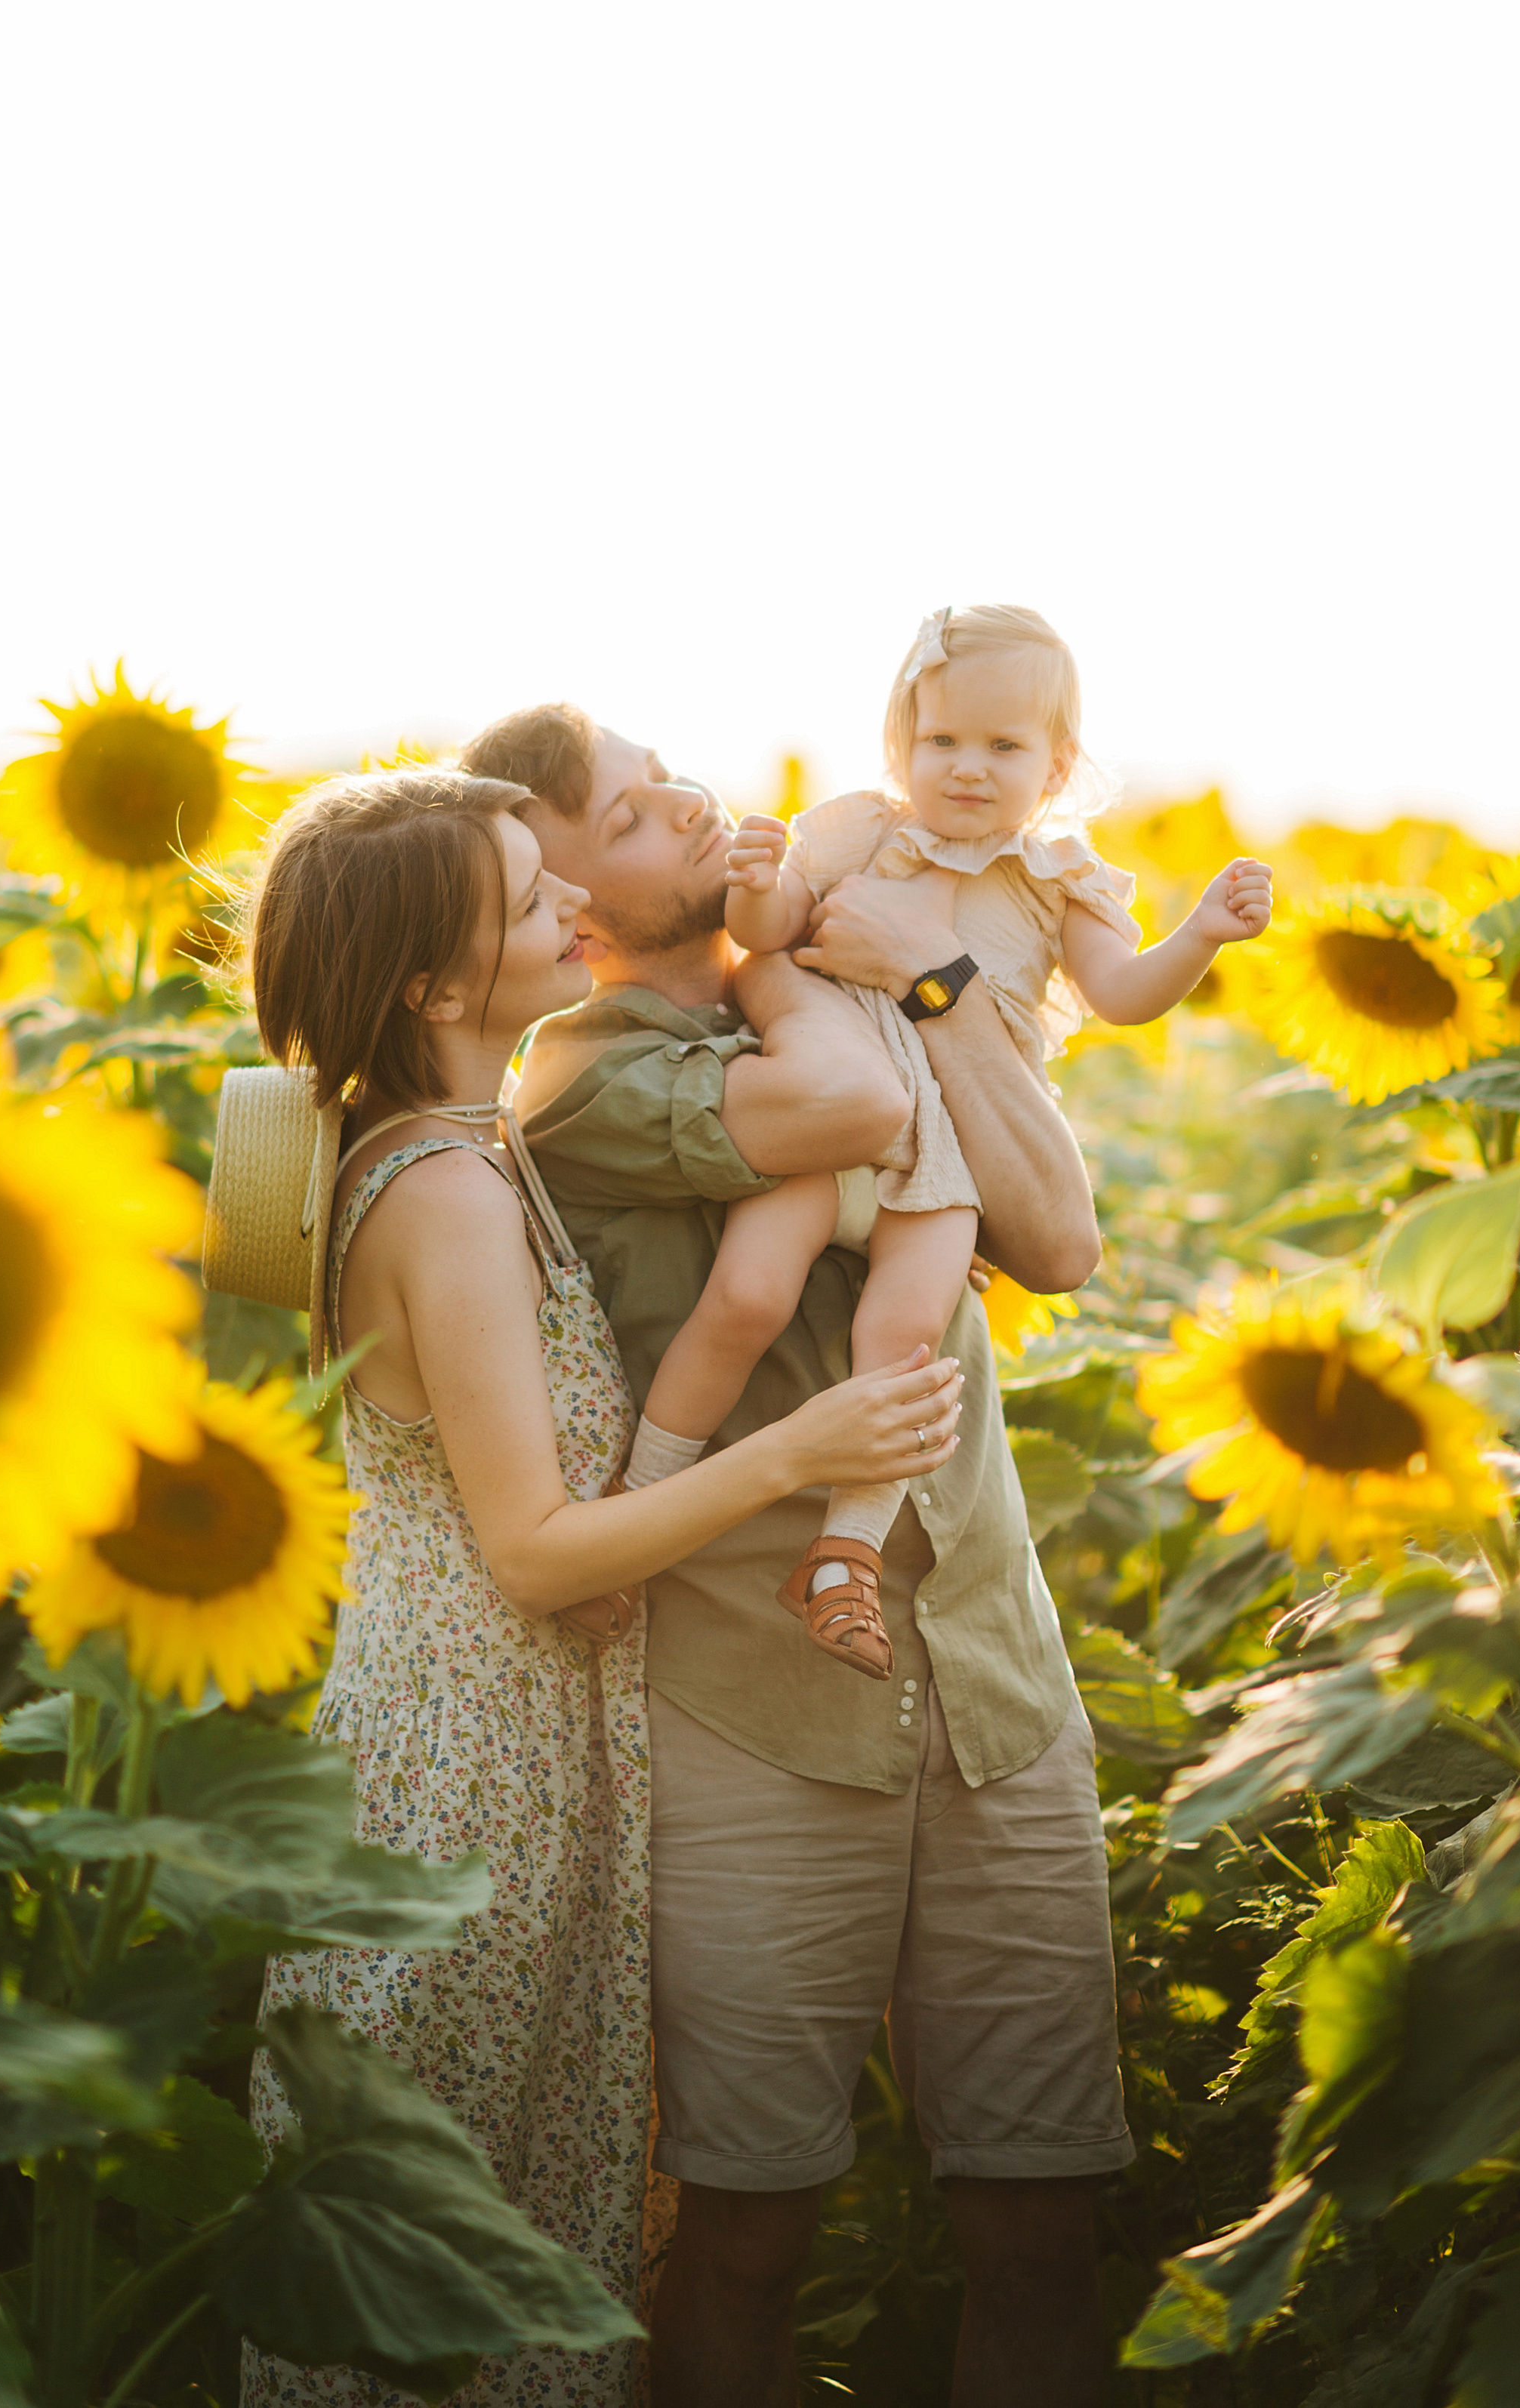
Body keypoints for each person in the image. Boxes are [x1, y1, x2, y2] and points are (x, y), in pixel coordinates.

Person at [236, 766, 963, 2408]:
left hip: (515, 1748)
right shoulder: (441, 1191)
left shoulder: (465, 1152)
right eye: (527, 897)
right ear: (433, 984)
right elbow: (534, 1548)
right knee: (432, 2257)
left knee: (506, 2237)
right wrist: (806, 1448)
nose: (574, 900)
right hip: (466, 1775)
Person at [458, 702, 1135, 2408]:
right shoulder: (591, 1080)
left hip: (990, 1673)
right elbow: (836, 1115)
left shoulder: (881, 982)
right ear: (565, 892)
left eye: (661, 766)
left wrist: (934, 977)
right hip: (753, 1706)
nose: (687, 795)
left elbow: (1054, 1237)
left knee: (1043, 2216)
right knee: (743, 2233)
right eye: (627, 809)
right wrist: (876, 973)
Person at [630, 603, 1274, 1678]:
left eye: (1004, 746)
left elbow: (1122, 996)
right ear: (902, 743)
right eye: (943, 742)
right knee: (745, 1296)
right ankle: (641, 1502)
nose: (968, 768)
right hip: (836, 1117)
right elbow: (772, 928)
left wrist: (1198, 934)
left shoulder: (1057, 879)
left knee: (904, 1343)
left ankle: (845, 1555)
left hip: (948, 1160)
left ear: (1058, 763)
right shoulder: (860, 833)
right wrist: (755, 880)